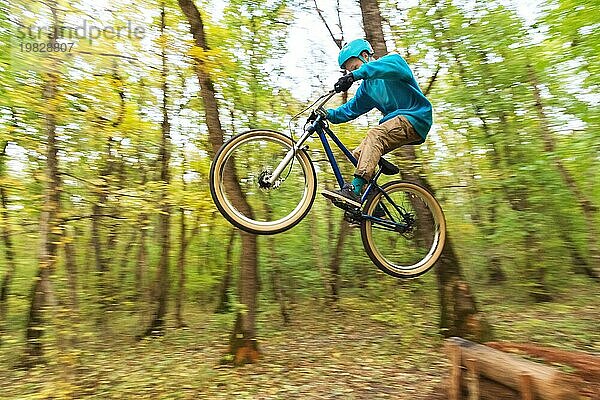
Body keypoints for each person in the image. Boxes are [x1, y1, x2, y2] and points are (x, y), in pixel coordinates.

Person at [318, 38, 433, 210]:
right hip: (398, 124)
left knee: (376, 134)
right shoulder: (367, 89)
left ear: (365, 56)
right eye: (350, 71)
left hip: (416, 117)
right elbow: (351, 109)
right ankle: (372, 205)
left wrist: (356, 75)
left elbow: (376, 69)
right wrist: (328, 114)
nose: (354, 73)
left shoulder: (393, 62)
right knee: (358, 154)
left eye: (355, 67)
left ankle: (355, 191)